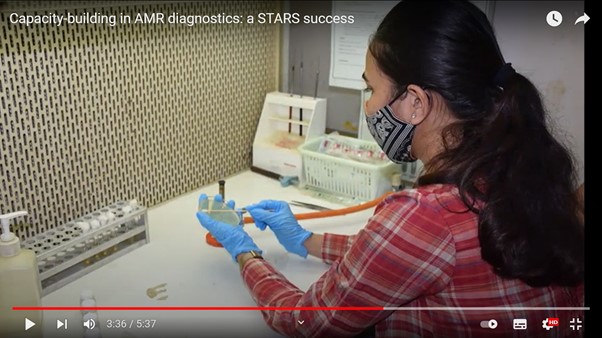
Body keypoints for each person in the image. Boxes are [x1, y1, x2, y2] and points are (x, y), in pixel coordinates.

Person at [196, 1, 585, 337]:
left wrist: (245, 253)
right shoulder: (517, 169)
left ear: (414, 102)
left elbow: (309, 322)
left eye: (371, 89)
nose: (368, 105)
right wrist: (304, 240)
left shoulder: (427, 214)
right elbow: (400, 257)